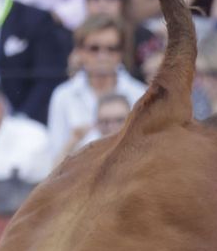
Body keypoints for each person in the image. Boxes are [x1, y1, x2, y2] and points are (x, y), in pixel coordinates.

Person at [45, 14, 147, 160]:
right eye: (94, 48)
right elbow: (55, 157)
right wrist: (74, 141)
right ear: (79, 52)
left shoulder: (141, 95)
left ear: (122, 52)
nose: (103, 56)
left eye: (112, 48)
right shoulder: (63, 96)